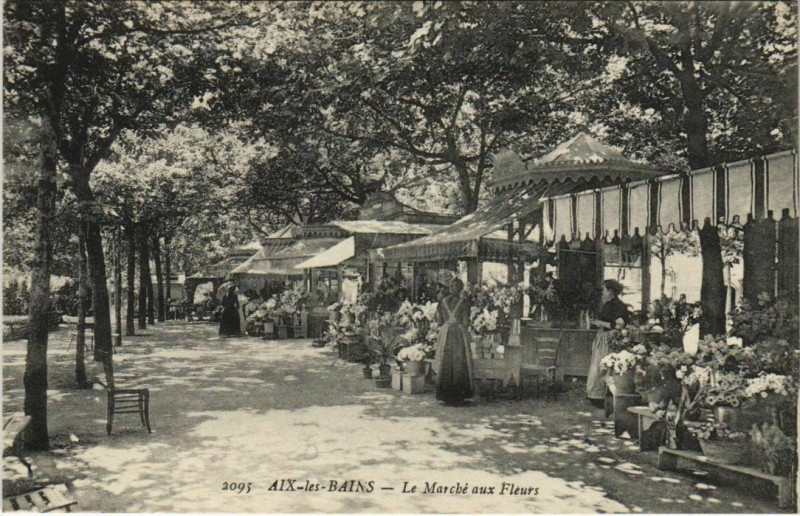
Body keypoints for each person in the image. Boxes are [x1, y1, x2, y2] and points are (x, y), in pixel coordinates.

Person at [586, 279, 631, 406]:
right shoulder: (612, 304)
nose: (603, 293)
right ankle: (597, 395)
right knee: (599, 365)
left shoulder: (616, 305)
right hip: (604, 335)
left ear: (611, 291)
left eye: (605, 290)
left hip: (608, 337)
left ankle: (599, 397)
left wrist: (600, 323)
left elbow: (618, 324)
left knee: (602, 365)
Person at [434, 277, 474, 405]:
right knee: (459, 362)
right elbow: (466, 321)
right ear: (461, 288)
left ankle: (445, 394)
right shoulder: (464, 302)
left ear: (450, 288)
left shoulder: (442, 301)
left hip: (445, 332)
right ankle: (458, 395)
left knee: (445, 361)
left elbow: (439, 321)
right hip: (458, 333)